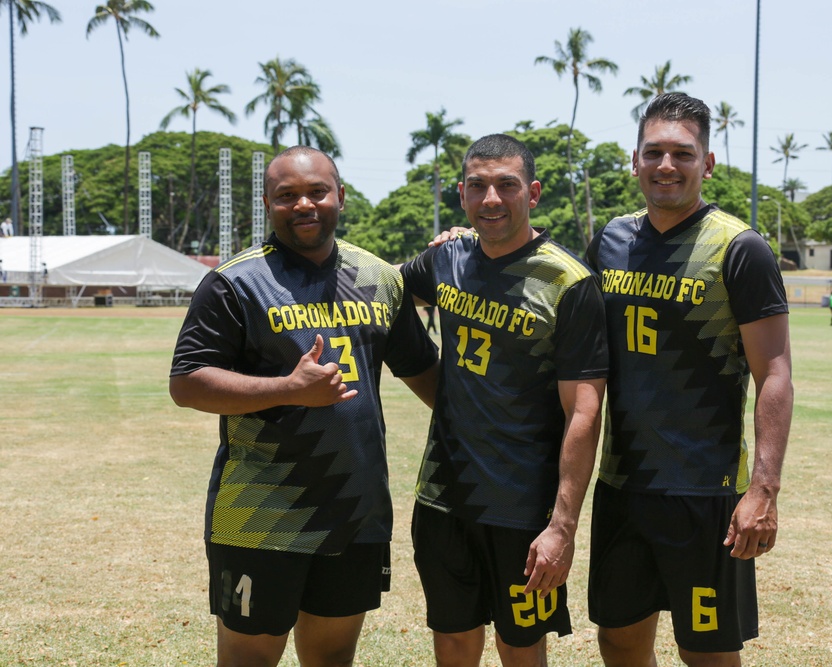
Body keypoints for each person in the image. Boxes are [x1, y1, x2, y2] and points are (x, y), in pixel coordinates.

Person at [169, 146, 439, 667]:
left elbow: (429, 378)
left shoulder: (381, 278)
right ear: (268, 205)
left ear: (341, 195)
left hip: (355, 513)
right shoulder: (236, 282)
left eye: (317, 192)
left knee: (333, 657)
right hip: (259, 516)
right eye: (287, 196)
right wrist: (289, 388)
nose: (304, 205)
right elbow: (188, 382)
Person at [585, 93, 794, 667]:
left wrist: (764, 489)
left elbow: (774, 374)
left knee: (706, 652)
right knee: (619, 641)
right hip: (623, 485)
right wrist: (470, 241)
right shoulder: (610, 241)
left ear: (708, 162)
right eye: (654, 152)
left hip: (706, 492)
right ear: (635, 160)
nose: (666, 165)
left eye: (683, 152)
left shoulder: (740, 248)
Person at [399, 134, 609, 667]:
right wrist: (438, 389)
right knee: (452, 642)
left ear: (532, 193)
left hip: (523, 507)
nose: (491, 198)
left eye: (506, 185)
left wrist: (562, 526)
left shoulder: (569, 282)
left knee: (520, 649)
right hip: (443, 498)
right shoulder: (445, 259)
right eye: (478, 186)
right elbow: (386, 297)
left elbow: (583, 413)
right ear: (462, 197)